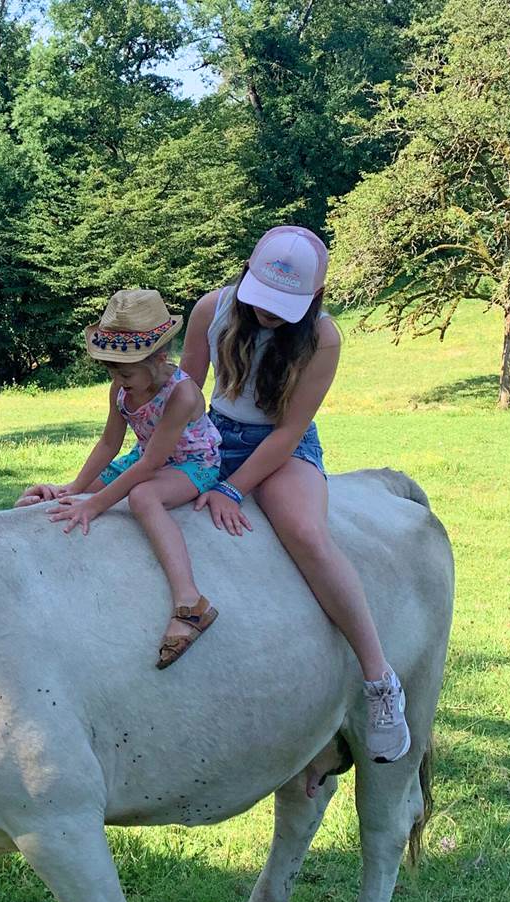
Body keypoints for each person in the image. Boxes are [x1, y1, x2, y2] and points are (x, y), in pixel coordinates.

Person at [179, 225, 410, 763]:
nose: (268, 313)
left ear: (315, 298)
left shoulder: (323, 338)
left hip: (280, 442)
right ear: (245, 277)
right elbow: (184, 395)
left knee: (305, 532)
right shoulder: (210, 310)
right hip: (212, 431)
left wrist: (232, 490)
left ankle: (379, 681)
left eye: (285, 305)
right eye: (261, 298)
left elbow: (286, 431)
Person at [17, 289, 222, 669]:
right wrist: (77, 490)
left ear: (159, 358)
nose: (117, 378)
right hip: (147, 455)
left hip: (192, 464)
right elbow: (110, 442)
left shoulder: (181, 393)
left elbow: (149, 467)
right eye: (111, 370)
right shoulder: (122, 388)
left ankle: (190, 600)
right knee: (73, 497)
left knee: (143, 497)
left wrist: (95, 505)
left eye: (124, 371)